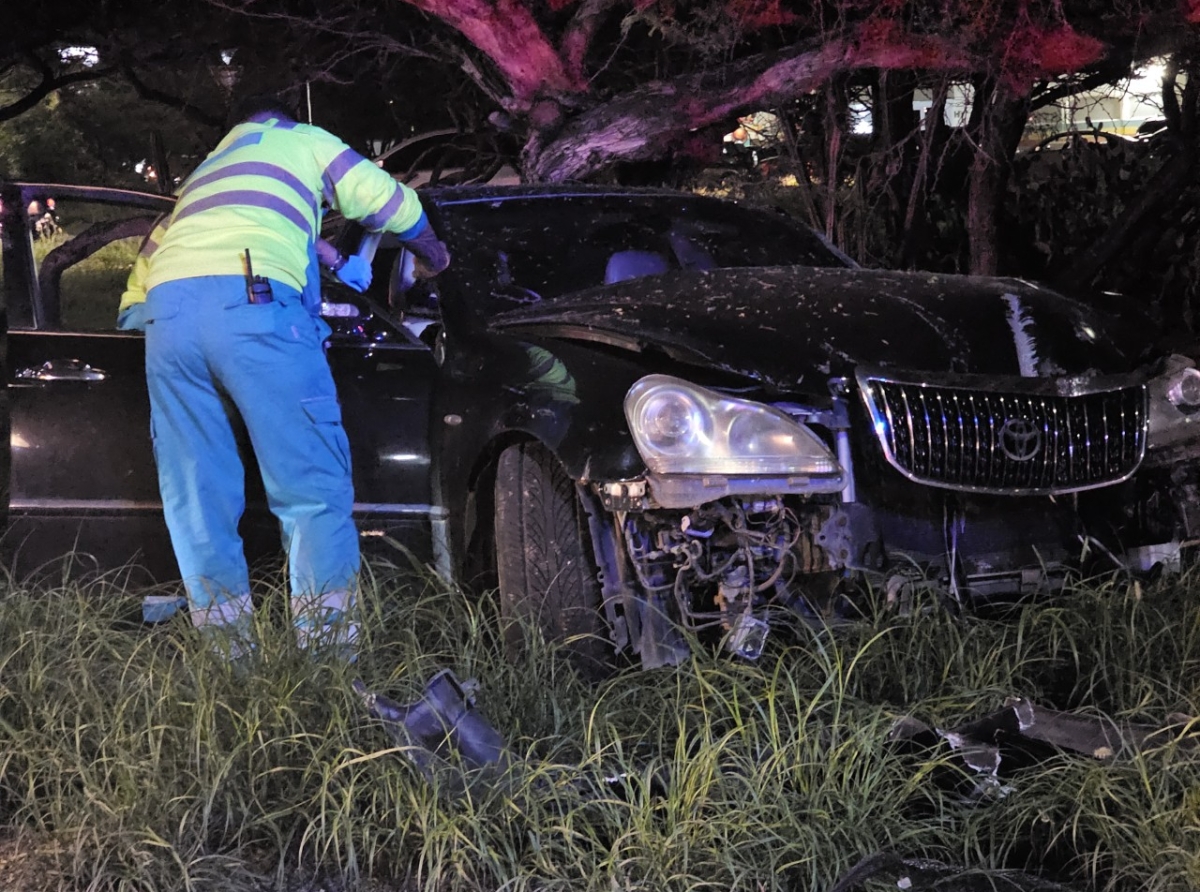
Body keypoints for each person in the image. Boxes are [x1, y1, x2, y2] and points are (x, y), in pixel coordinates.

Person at [118, 94, 450, 659]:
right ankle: (326, 664)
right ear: (282, 124)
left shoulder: (199, 183)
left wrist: (335, 261)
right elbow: (394, 204)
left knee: (198, 499)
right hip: (256, 306)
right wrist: (433, 252)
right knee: (311, 493)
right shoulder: (302, 141)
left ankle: (231, 659)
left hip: (167, 321)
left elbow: (132, 304)